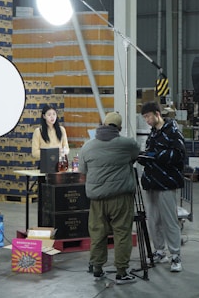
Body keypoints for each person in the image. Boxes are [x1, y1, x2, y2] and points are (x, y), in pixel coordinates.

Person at [79, 112, 140, 285]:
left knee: (97, 233)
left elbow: (82, 172)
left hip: (97, 199)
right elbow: (135, 156)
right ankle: (121, 272)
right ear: (119, 128)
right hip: (120, 198)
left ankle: (97, 269)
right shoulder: (127, 144)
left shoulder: (87, 147)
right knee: (122, 233)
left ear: (103, 124)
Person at [139, 101, 186, 273]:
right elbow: (150, 152)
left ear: (157, 114)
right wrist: (144, 157)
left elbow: (179, 155)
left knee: (169, 220)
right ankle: (159, 251)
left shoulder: (172, 132)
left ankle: (175, 255)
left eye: (148, 116)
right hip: (151, 182)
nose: (147, 120)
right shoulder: (153, 133)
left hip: (166, 183)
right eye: (144, 117)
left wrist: (156, 156)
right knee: (153, 220)